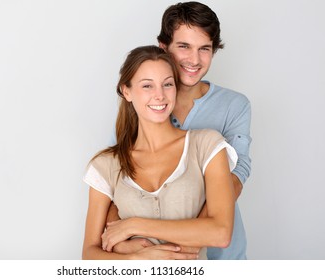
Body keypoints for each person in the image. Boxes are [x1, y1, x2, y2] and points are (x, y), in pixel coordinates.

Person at [106, 1, 252, 260]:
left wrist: (191, 239)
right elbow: (115, 186)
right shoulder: (145, 107)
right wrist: (120, 242)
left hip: (219, 255)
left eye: (204, 49)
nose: (194, 60)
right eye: (184, 46)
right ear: (163, 47)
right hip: (155, 257)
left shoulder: (234, 105)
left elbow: (236, 178)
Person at [82, 45, 238, 260]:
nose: (160, 95)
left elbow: (220, 233)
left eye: (167, 84)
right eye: (147, 86)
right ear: (126, 91)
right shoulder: (106, 164)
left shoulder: (207, 145)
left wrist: (134, 225)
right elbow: (90, 254)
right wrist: (136, 260)